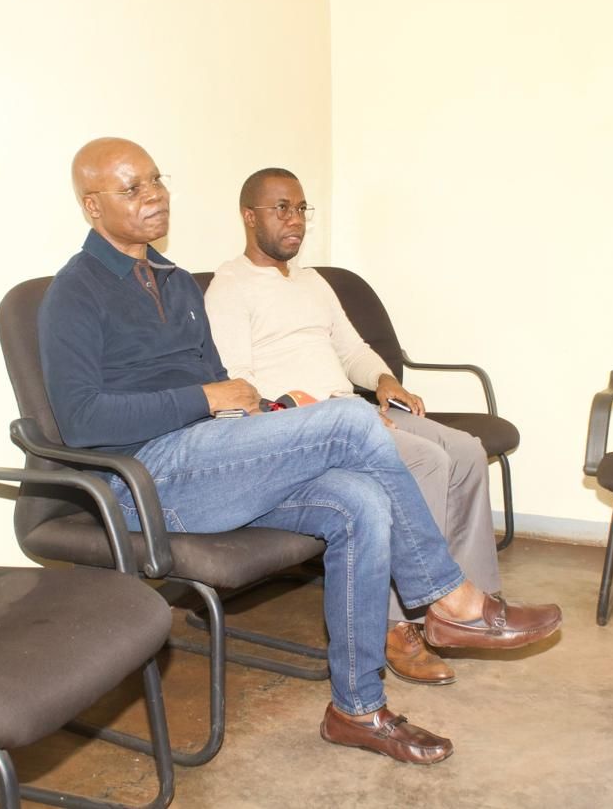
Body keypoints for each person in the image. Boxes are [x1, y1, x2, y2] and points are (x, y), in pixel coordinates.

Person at [38, 137, 562, 765]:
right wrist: (205, 397)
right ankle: (450, 598)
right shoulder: (75, 291)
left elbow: (225, 387)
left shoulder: (175, 283)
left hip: (214, 456)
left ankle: (357, 709)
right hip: (145, 480)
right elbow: (81, 421)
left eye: (156, 180)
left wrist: (260, 414)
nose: (154, 196)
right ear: (93, 206)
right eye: (132, 188)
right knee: (351, 420)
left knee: (362, 501)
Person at [203, 166, 508, 686]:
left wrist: (384, 380)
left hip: (354, 410)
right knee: (427, 461)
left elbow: (351, 350)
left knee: (466, 451)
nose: (295, 220)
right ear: (249, 216)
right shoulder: (229, 288)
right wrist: (316, 414)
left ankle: (466, 603)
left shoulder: (311, 281)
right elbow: (239, 387)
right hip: (306, 428)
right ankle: (396, 624)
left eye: (301, 208)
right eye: (281, 208)